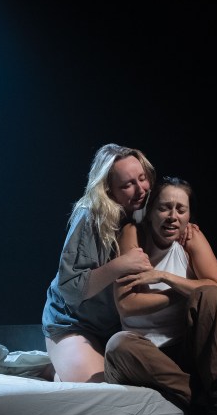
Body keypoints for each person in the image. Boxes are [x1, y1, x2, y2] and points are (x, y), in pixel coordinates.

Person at [104, 176, 217, 415]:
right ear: (150, 211)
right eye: (164, 208)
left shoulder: (191, 237)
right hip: (146, 355)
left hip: (187, 349)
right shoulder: (133, 234)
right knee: (117, 345)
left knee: (211, 295)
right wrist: (185, 293)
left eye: (181, 209)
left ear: (189, 215)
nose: (173, 217)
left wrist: (165, 277)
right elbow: (127, 305)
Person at [41, 143, 158, 383]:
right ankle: (57, 368)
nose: (140, 189)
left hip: (117, 327)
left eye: (142, 178)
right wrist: (120, 265)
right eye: (127, 185)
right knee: (97, 387)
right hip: (73, 323)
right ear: (108, 189)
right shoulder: (89, 216)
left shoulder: (146, 211)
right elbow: (70, 288)